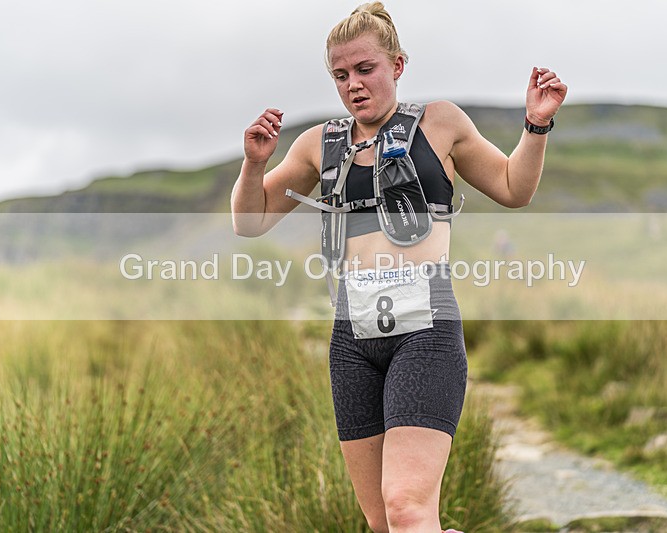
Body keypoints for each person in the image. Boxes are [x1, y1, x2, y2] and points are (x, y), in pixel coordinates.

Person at [231, 3, 567, 531]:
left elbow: (512, 188)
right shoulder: (318, 144)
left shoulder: (441, 122)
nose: (353, 85)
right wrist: (254, 163)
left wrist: (536, 124)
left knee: (408, 508)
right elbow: (250, 223)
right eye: (340, 75)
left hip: (425, 329)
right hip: (351, 337)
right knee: (385, 523)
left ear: (397, 65)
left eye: (365, 69)